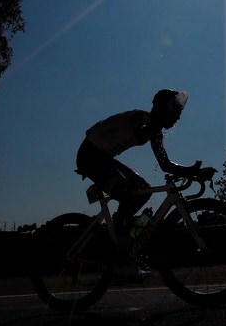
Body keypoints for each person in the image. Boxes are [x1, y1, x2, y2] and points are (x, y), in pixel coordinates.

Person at [75, 89, 202, 275]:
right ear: (163, 109)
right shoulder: (141, 119)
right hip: (90, 155)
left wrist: (192, 171)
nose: (178, 118)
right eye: (175, 113)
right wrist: (159, 125)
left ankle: (120, 236)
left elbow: (165, 164)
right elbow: (141, 134)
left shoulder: (154, 128)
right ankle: (121, 258)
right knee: (128, 197)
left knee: (143, 191)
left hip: (103, 156)